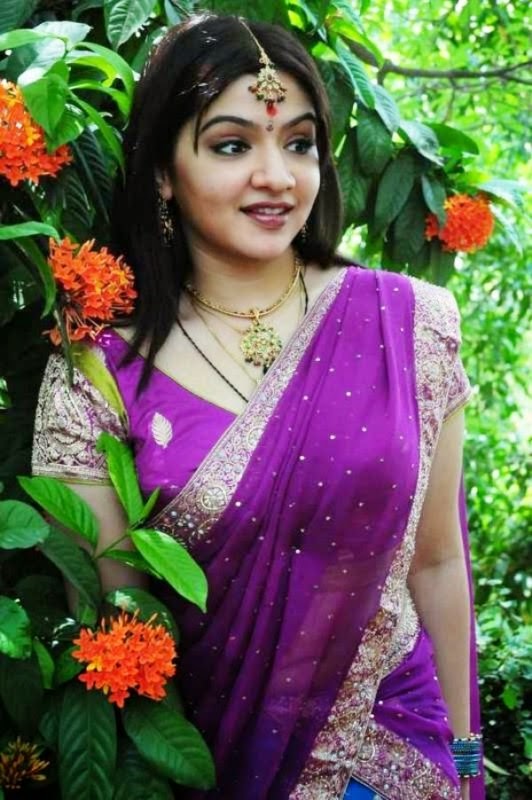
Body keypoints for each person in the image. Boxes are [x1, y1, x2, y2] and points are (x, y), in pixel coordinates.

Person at [32, 14, 484, 800]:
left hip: (399, 760)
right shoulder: (96, 375)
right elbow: (119, 635)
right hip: (219, 764)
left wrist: (469, 759)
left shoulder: (409, 323)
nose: (276, 176)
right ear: (163, 171)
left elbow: (439, 562)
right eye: (232, 145)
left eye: (299, 143)